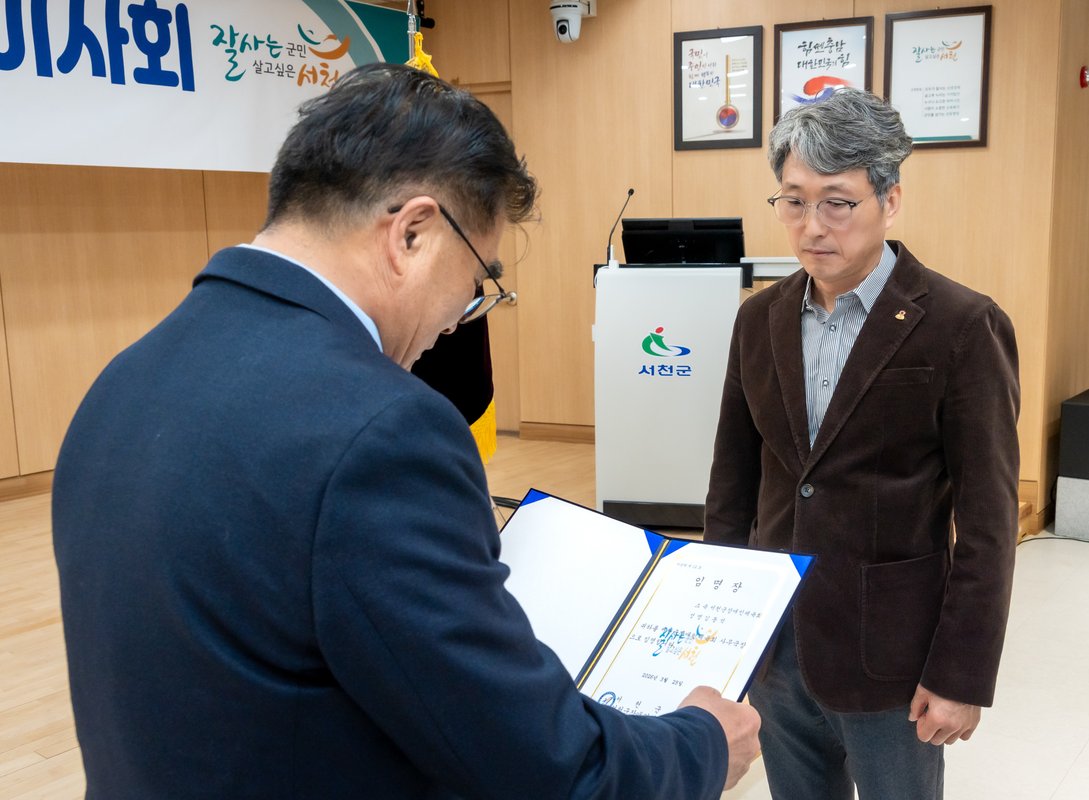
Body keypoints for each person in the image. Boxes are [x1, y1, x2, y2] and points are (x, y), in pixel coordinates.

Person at [53, 63, 759, 799]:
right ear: (413, 234)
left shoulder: (125, 379)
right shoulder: (382, 432)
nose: (459, 319)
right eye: (478, 281)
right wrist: (703, 742)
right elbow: (551, 772)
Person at [704, 88, 1019, 800]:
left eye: (838, 203)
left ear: (890, 200)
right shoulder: (759, 319)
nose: (812, 226)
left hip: (893, 656)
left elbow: (989, 522)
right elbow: (733, 486)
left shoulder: (962, 326)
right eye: (793, 201)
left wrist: (961, 674)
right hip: (778, 642)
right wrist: (724, 633)